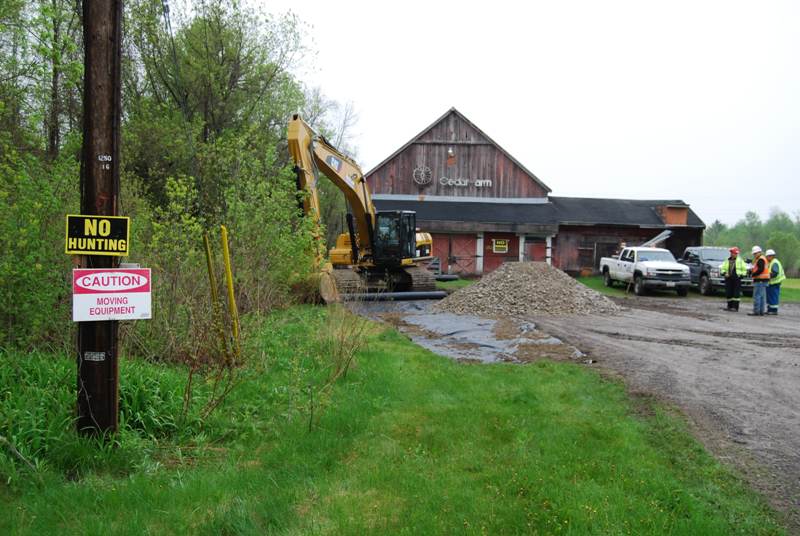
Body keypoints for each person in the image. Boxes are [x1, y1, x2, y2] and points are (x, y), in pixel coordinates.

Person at [719, 246, 746, 311]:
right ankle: (729, 306)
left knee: (736, 293)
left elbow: (744, 270)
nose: (735, 254)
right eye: (734, 253)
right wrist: (724, 273)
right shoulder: (727, 260)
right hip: (728, 278)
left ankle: (735, 307)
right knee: (729, 292)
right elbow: (722, 269)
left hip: (737, 278)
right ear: (731, 253)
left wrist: (741, 275)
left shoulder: (740, 260)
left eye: (736, 253)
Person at [748, 245, 770, 316]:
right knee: (762, 297)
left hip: (759, 280)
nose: (754, 255)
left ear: (759, 252)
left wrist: (753, 274)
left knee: (757, 296)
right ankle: (761, 311)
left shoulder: (760, 259)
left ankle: (756, 311)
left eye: (755, 253)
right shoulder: (762, 259)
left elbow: (760, 269)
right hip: (764, 280)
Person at [765, 249, 786, 315]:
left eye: (767, 256)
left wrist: (767, 276)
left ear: (771, 256)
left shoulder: (774, 263)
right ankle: (770, 309)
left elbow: (775, 273)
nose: (766, 258)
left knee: (773, 296)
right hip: (772, 282)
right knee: (770, 296)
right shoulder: (772, 262)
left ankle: (773, 310)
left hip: (775, 282)